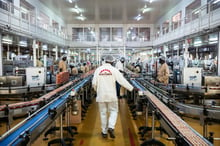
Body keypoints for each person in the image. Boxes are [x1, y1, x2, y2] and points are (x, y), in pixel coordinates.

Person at [92, 55, 134, 139]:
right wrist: (131, 88)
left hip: (101, 95)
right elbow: (122, 81)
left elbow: (94, 83)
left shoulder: (98, 70)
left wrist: (98, 91)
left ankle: (104, 132)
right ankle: (111, 127)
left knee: (103, 113)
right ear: (112, 62)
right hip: (111, 95)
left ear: (105, 61)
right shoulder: (114, 70)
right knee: (114, 111)